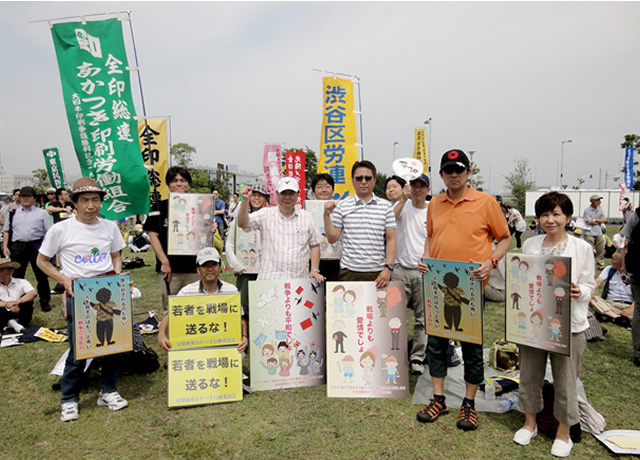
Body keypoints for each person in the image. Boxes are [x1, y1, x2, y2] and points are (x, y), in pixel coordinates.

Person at [416, 149, 511, 431]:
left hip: (471, 286)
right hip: (437, 285)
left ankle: (468, 404)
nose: (454, 175)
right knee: (436, 343)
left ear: (468, 173)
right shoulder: (435, 204)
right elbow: (431, 237)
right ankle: (439, 398)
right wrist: (425, 259)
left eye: (459, 170)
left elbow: (504, 238)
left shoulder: (486, 202)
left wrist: (490, 262)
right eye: (448, 171)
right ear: (442, 175)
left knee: (471, 345)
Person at [36, 177, 128, 422]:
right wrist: (63, 279)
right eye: (85, 200)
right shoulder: (61, 229)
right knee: (79, 350)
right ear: (74, 202)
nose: (91, 205)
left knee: (113, 346)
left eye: (95, 200)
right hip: (78, 294)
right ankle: (69, 399)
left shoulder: (110, 227)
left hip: (109, 290)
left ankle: (108, 390)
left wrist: (117, 273)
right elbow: (42, 261)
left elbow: (116, 255)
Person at [513, 191, 595, 457]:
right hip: (535, 323)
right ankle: (529, 422)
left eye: (556, 214)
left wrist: (579, 291)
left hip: (568, 324)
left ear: (567, 217)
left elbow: (590, 284)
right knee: (529, 374)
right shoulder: (531, 245)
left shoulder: (581, 248)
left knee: (566, 380)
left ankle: (564, 431)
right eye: (545, 214)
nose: (550, 220)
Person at [158, 247, 248, 353]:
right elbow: (171, 315)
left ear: (220, 268)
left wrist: (244, 336)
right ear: (198, 270)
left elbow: (240, 319)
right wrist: (161, 334)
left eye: (213, 265)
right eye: (204, 266)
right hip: (197, 344)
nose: (209, 269)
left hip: (223, 343)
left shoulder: (231, 290)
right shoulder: (186, 292)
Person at [323, 160, 396, 288]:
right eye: (359, 178)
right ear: (352, 180)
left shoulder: (386, 206)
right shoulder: (342, 206)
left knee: (378, 308)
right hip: (349, 271)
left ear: (374, 179)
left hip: (377, 272)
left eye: (368, 178)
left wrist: (388, 268)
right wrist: (326, 215)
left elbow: (391, 239)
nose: (363, 181)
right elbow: (332, 238)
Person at [237, 177, 324, 283]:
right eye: (284, 193)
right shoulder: (265, 214)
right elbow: (243, 224)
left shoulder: (306, 217)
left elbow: (315, 244)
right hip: (270, 280)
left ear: (298, 194)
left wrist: (314, 269)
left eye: (291, 193)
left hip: (298, 280)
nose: (287, 197)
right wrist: (245, 201)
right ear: (277, 194)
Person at [143, 167, 201, 315]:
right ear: (168, 184)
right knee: (171, 308)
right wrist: (164, 262)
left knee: (195, 305)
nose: (179, 184)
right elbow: (153, 235)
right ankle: (170, 337)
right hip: (170, 269)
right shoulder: (159, 207)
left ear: (188, 184)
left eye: (183, 180)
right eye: (174, 181)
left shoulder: (200, 205)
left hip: (195, 267)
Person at [391, 174, 430, 374]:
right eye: (414, 186)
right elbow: (390, 221)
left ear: (428, 190)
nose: (417, 190)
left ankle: (417, 358)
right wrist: (403, 199)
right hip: (399, 269)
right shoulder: (402, 205)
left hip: (423, 271)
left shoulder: (433, 210)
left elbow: (435, 236)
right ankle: (393, 355)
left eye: (421, 186)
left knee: (422, 318)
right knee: (393, 315)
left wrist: (428, 256)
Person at [2, 186, 52, 313]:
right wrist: (6, 247)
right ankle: (17, 301)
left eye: (28, 197)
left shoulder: (42, 213)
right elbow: (6, 231)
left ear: (34, 198)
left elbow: (50, 232)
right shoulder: (13, 213)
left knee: (41, 275)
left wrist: (48, 248)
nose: (25, 199)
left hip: (36, 245)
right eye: (23, 196)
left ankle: (45, 301)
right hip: (18, 246)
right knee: (17, 275)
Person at [225, 185, 269, 317]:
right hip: (245, 271)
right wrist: (235, 265)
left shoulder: (270, 219)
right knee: (244, 305)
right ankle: (246, 333)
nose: (256, 198)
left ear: (266, 199)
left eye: (260, 195)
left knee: (265, 303)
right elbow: (229, 243)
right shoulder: (239, 219)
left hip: (265, 270)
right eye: (253, 195)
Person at [310, 173, 340, 281]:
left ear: (333, 190)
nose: (324, 190)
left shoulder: (341, 208)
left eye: (327, 186)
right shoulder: (306, 210)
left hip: (336, 259)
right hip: (313, 260)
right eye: (319, 187)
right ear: (313, 191)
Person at [589, 251, 634, 322]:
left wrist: (630, 309)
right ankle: (617, 318)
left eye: (613, 259)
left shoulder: (633, 274)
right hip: (610, 304)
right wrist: (589, 292)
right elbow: (597, 281)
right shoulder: (609, 269)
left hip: (628, 306)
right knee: (592, 299)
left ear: (621, 263)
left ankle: (607, 315)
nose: (611, 261)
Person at [620, 206, 640, 367]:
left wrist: (625, 267)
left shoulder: (638, 213)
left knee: (639, 311)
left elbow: (625, 240)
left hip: (637, 270)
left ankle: (638, 352)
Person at [0, 258, 36, 333]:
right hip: (3, 313)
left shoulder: (21, 282)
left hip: (19, 312)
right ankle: (14, 325)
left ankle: (13, 325)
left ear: (11, 271)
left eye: (2, 271)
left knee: (27, 300)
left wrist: (17, 302)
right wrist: (6, 304)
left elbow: (33, 293)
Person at [583, 194, 607, 271]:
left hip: (598, 232)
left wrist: (595, 220)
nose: (599, 202)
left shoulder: (600, 209)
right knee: (589, 249)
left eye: (599, 200)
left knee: (601, 249)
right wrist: (598, 221)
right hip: (589, 232)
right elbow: (588, 221)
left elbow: (604, 219)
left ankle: (600, 265)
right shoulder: (587, 210)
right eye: (597, 200)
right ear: (592, 201)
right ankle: (589, 265)